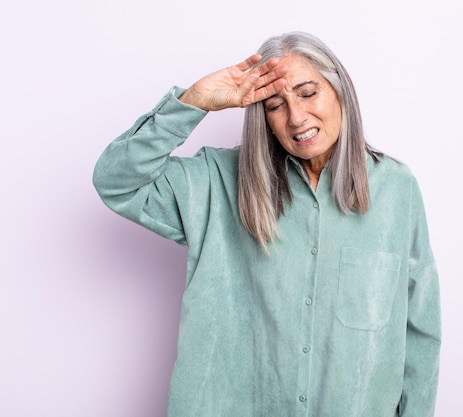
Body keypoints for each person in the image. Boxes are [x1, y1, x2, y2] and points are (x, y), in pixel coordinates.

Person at [93, 31, 441, 417]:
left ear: (340, 90)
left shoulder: (396, 189)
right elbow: (117, 181)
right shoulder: (215, 182)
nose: (296, 117)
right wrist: (192, 102)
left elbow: (420, 329)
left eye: (308, 93)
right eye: (275, 104)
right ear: (264, 118)